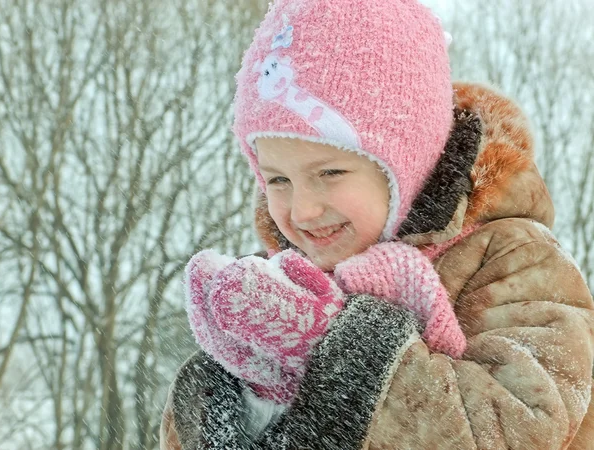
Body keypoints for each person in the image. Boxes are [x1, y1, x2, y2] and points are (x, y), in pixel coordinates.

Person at [160, 0, 594, 448]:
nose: (303, 209)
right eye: (278, 179)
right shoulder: (278, 284)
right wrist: (224, 392)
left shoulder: (513, 261)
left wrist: (338, 347)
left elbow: (521, 425)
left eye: (330, 173)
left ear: (408, 168)